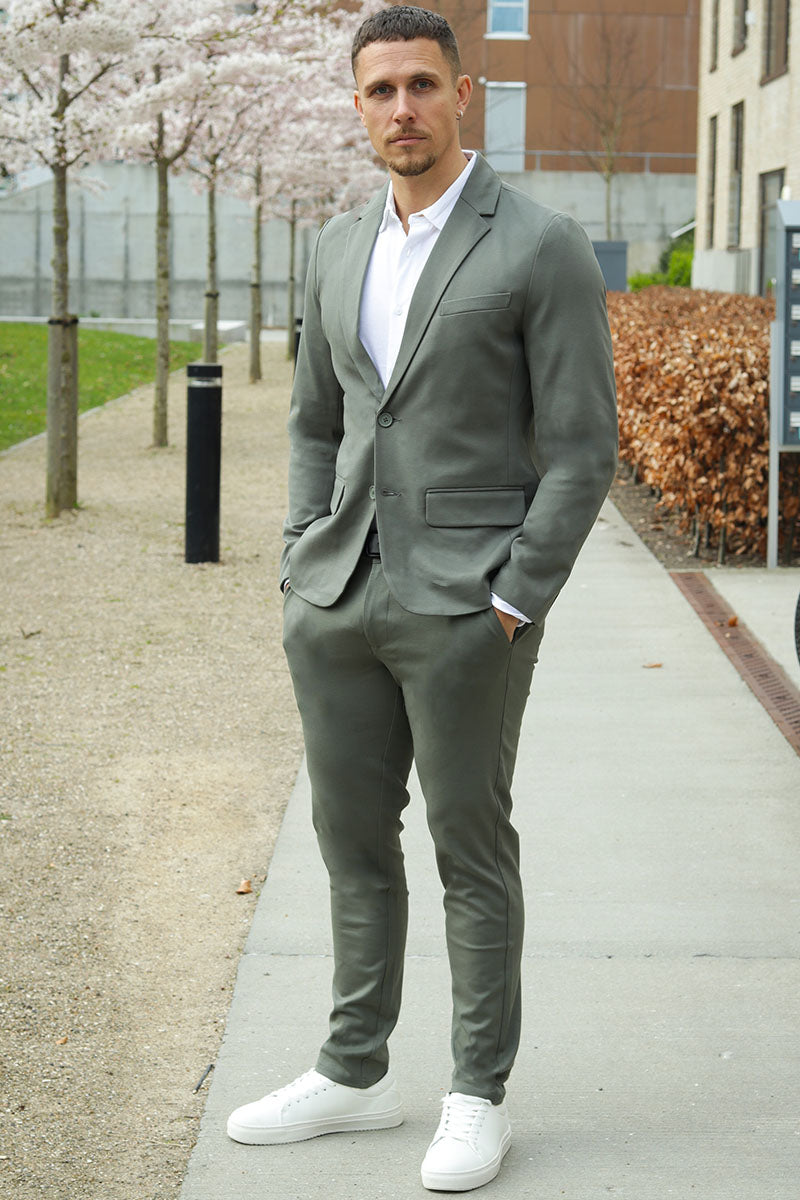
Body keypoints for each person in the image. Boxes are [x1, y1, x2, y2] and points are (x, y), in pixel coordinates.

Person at [227, 6, 617, 1192]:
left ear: (461, 93)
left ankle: (475, 1094)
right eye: (379, 89)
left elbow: (581, 449)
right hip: (336, 594)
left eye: (420, 85)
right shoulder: (336, 246)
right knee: (350, 843)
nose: (401, 108)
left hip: (466, 609)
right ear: (357, 106)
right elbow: (315, 422)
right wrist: (298, 556)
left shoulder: (537, 245)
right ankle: (353, 1071)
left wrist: (516, 595)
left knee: (468, 849)